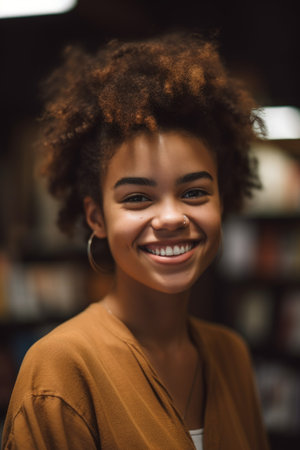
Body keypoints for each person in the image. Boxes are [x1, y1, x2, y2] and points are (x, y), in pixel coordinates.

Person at [2, 32, 269, 450]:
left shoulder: (230, 354)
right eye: (138, 198)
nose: (170, 217)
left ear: (223, 199)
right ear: (97, 217)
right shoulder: (60, 370)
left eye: (195, 192)